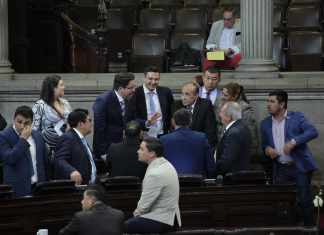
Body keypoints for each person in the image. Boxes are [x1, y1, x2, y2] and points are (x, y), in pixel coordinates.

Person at [260, 89, 318, 226]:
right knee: (282, 202)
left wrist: (293, 142)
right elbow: (264, 145)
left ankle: (309, 229)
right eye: (267, 101)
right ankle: (287, 228)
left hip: (299, 167)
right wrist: (267, 149)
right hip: (280, 168)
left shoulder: (297, 117)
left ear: (282, 104)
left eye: (272, 101)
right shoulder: (265, 123)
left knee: (304, 200)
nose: (268, 104)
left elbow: (313, 132)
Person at [124, 137, 181, 234]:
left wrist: (134, 216)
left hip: (163, 219)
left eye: (141, 149)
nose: (138, 151)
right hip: (171, 217)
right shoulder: (166, 164)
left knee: (122, 226)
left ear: (152, 153)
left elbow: (143, 207)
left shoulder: (155, 174)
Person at [0, 106, 48, 197]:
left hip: (39, 188)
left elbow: (45, 161)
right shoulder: (3, 136)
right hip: (17, 190)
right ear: (14, 119)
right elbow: (9, 158)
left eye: (26, 123)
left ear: (32, 122)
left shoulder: (38, 136)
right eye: (19, 122)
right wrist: (23, 140)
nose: (22, 126)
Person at [93, 72, 136, 160]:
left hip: (123, 147)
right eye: (130, 88)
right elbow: (99, 129)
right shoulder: (103, 100)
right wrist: (103, 152)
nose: (134, 90)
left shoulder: (128, 99)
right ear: (120, 88)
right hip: (108, 149)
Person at [160, 108, 215, 177]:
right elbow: (210, 165)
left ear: (173, 121)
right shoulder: (201, 138)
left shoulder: (163, 139)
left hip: (172, 182)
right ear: (190, 121)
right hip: (197, 182)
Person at [126, 66, 174, 137]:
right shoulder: (135, 93)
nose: (153, 82)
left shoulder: (166, 92)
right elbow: (130, 118)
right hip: (143, 136)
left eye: (156, 79)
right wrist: (146, 123)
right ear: (144, 78)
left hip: (163, 135)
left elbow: (171, 114)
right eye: (150, 79)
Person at [54, 109, 96, 185]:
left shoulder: (81, 139)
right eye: (89, 120)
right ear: (80, 124)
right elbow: (59, 159)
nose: (92, 124)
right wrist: (71, 171)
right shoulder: (68, 138)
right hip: (77, 187)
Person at [59, 188, 125, 235]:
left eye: (83, 199)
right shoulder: (119, 215)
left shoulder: (81, 217)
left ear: (90, 200)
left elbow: (62, 233)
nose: (81, 202)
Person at [32, 75, 72, 150]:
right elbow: (34, 131)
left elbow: (72, 122)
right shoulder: (40, 105)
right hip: (47, 150)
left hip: (67, 147)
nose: (64, 87)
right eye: (61, 85)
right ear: (53, 88)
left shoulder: (65, 103)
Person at [220, 82, 259, 157]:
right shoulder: (223, 106)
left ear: (235, 96)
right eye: (222, 94)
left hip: (240, 154)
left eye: (226, 95)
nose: (222, 97)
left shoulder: (245, 109)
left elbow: (251, 133)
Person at [215, 102, 251, 176]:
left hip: (233, 178)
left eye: (221, 112)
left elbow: (227, 161)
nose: (219, 115)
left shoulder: (234, 133)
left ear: (229, 116)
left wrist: (213, 169)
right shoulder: (242, 127)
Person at [178, 81, 218, 147]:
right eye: (182, 94)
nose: (183, 98)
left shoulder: (205, 105)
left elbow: (210, 131)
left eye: (187, 94)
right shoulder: (177, 105)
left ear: (196, 95)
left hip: (199, 145)